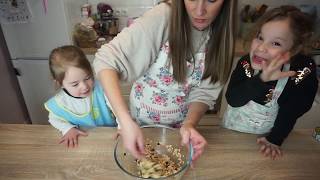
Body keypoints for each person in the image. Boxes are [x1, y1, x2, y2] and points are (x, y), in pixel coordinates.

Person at [93, 0, 237, 161]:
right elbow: (106, 61)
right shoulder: (162, 16)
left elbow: (204, 93)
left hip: (180, 126)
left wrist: (189, 124)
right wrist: (125, 121)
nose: (199, 11)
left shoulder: (222, 35)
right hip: (141, 122)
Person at [222, 5, 318, 160]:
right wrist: (261, 81)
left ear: (293, 49)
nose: (261, 47)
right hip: (230, 132)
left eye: (276, 43)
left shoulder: (298, 73)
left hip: (263, 141)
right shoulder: (246, 63)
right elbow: (233, 99)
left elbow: (292, 111)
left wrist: (275, 139)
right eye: (260, 37)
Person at [44, 45, 117, 148]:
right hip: (84, 143)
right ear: (60, 83)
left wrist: (123, 125)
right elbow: (53, 119)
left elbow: (117, 107)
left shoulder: (101, 88)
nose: (84, 86)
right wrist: (67, 129)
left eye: (88, 78)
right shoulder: (60, 103)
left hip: (111, 137)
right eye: (75, 84)